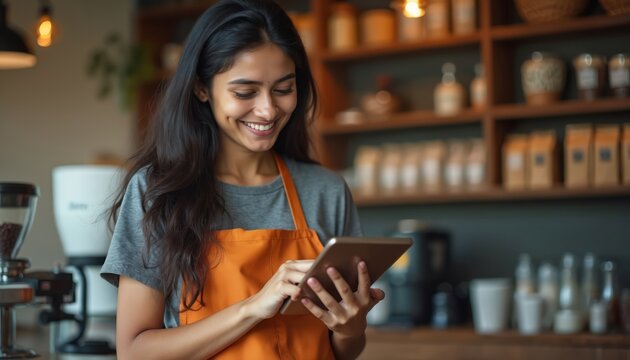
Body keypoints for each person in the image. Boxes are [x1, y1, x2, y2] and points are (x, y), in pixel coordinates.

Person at [100, 1, 385, 359]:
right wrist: (253, 307)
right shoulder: (157, 191)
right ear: (202, 89)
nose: (267, 110)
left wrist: (350, 327)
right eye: (245, 92)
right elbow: (134, 352)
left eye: (283, 89)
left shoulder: (325, 191)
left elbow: (344, 351)